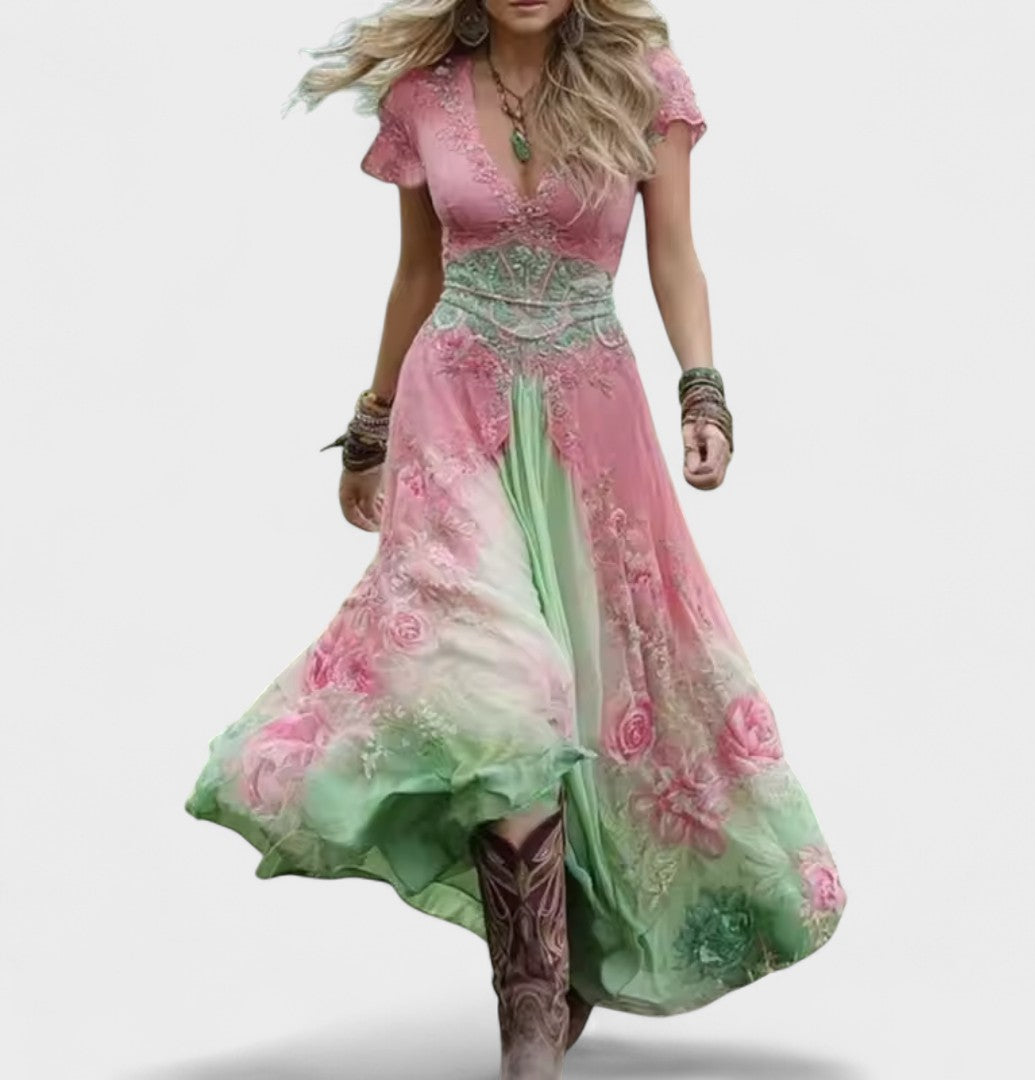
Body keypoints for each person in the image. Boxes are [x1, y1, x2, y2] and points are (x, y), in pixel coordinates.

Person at [184, 2, 848, 1077]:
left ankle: (566, 960)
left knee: (603, 690)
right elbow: (418, 275)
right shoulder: (424, 96)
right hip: (454, 413)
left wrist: (704, 390)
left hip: (593, 415)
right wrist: (369, 427)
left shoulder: (644, 82)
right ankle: (529, 1014)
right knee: (504, 686)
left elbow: (676, 256)